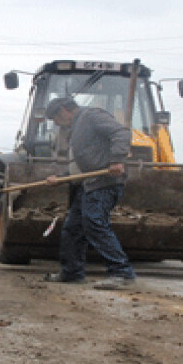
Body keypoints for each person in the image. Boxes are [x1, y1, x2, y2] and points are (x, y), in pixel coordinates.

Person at [43, 97, 136, 290]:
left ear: (63, 111)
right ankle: (72, 272)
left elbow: (121, 132)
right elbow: (83, 165)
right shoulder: (77, 128)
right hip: (87, 184)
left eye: (55, 119)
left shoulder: (92, 116)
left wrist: (117, 159)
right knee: (73, 228)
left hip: (103, 183)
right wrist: (61, 177)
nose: (56, 124)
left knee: (94, 223)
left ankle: (121, 273)